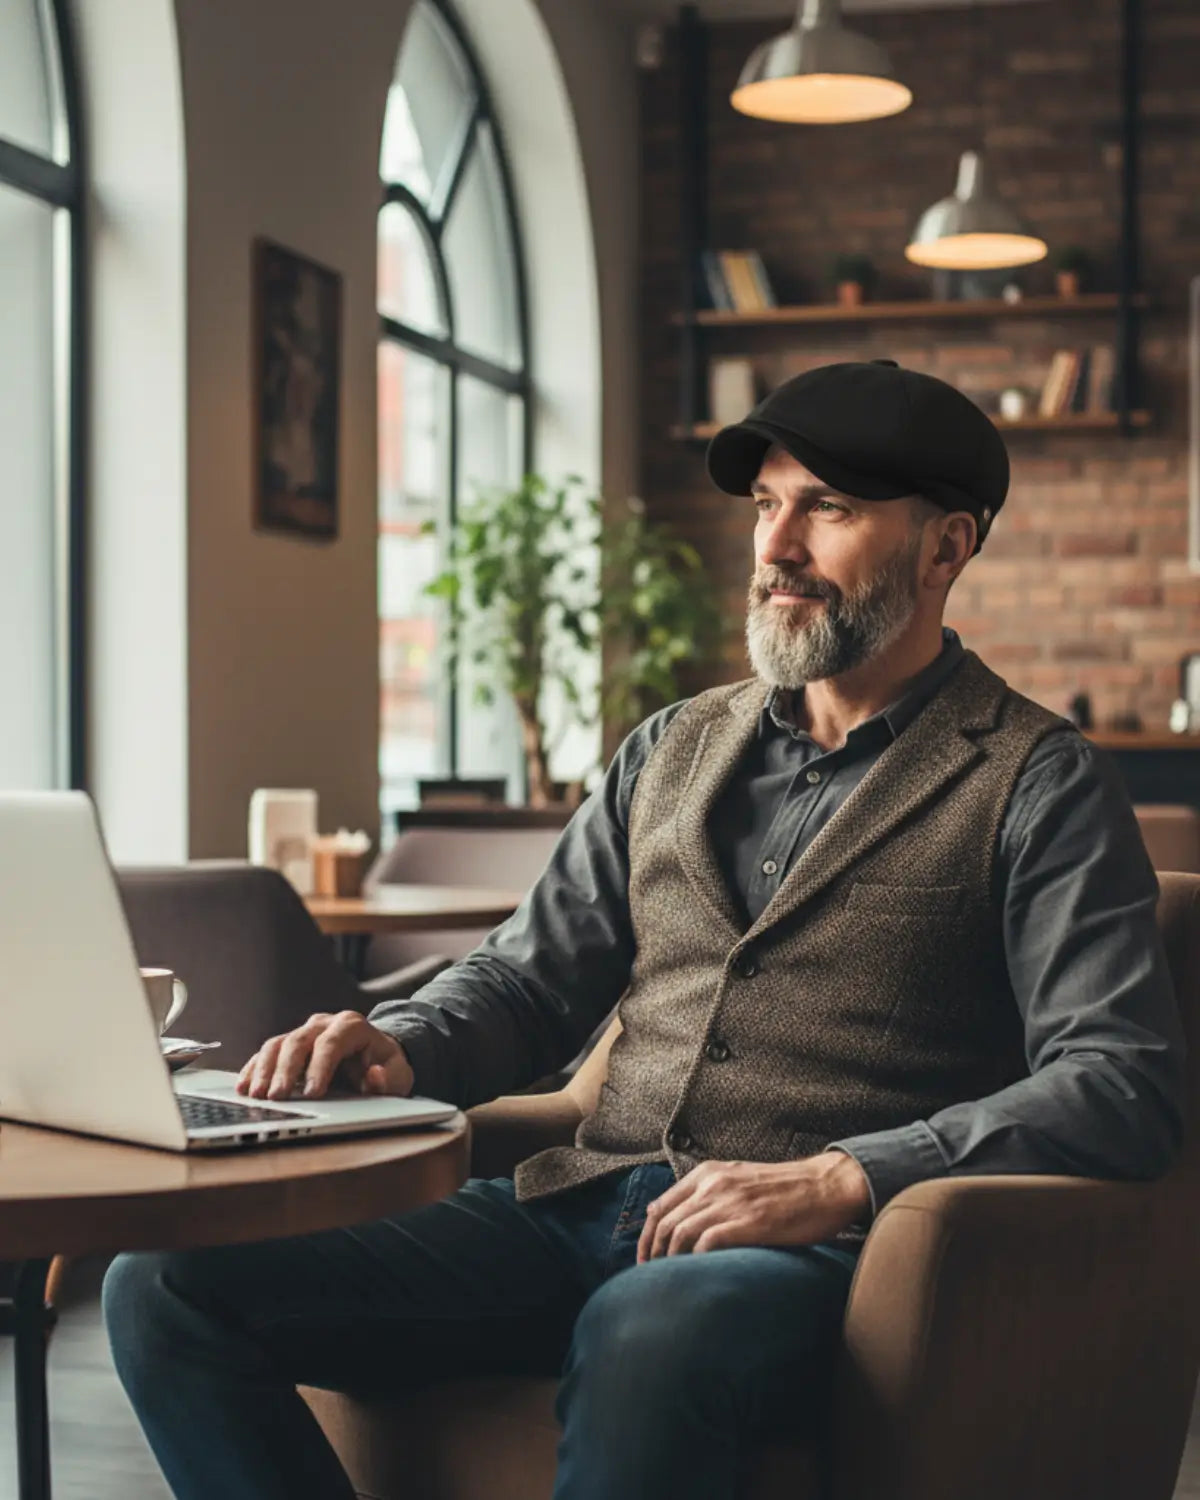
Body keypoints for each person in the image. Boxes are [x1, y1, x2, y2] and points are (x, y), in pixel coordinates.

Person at [103, 360, 1186, 1500]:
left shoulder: (1037, 781)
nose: (775, 548)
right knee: (166, 1284)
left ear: (945, 549)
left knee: (647, 1332)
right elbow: (529, 981)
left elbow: (1121, 1083)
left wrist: (841, 1177)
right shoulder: (669, 746)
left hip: (812, 1257)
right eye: (769, 504)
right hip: (573, 1206)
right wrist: (405, 1044)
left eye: (829, 508)